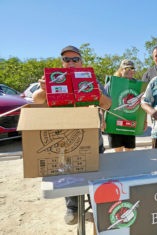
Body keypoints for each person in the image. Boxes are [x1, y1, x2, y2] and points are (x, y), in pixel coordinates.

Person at [32, 45, 112, 225]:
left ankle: (95, 206)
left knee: (94, 176)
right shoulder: (52, 79)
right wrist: (44, 89)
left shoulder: (91, 80)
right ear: (62, 63)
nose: (71, 63)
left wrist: (96, 93)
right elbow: (36, 99)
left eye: (75, 59)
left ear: (81, 62)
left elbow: (107, 105)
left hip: (91, 141)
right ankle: (73, 208)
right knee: (67, 175)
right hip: (64, 141)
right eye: (66, 59)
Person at [104, 59, 138, 152]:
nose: (129, 71)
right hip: (114, 121)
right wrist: (103, 120)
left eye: (132, 68)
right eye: (126, 68)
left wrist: (144, 122)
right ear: (121, 69)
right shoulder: (112, 83)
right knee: (118, 152)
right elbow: (103, 102)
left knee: (130, 151)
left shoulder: (137, 84)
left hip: (129, 122)